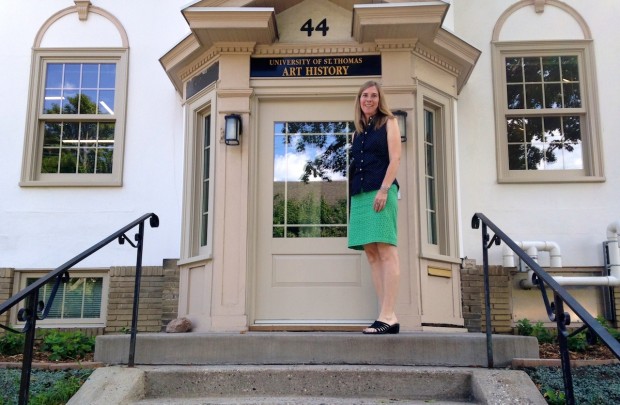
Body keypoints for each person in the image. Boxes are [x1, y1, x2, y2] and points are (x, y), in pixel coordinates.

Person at [348, 80, 402, 335]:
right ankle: (384, 315)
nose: (369, 99)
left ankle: (389, 315)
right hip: (359, 195)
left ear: (380, 100)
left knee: (386, 250)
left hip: (381, 191)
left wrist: (383, 189)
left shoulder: (389, 122)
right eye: (364, 96)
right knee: (371, 253)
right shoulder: (357, 131)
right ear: (359, 100)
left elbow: (396, 158)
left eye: (373, 95)